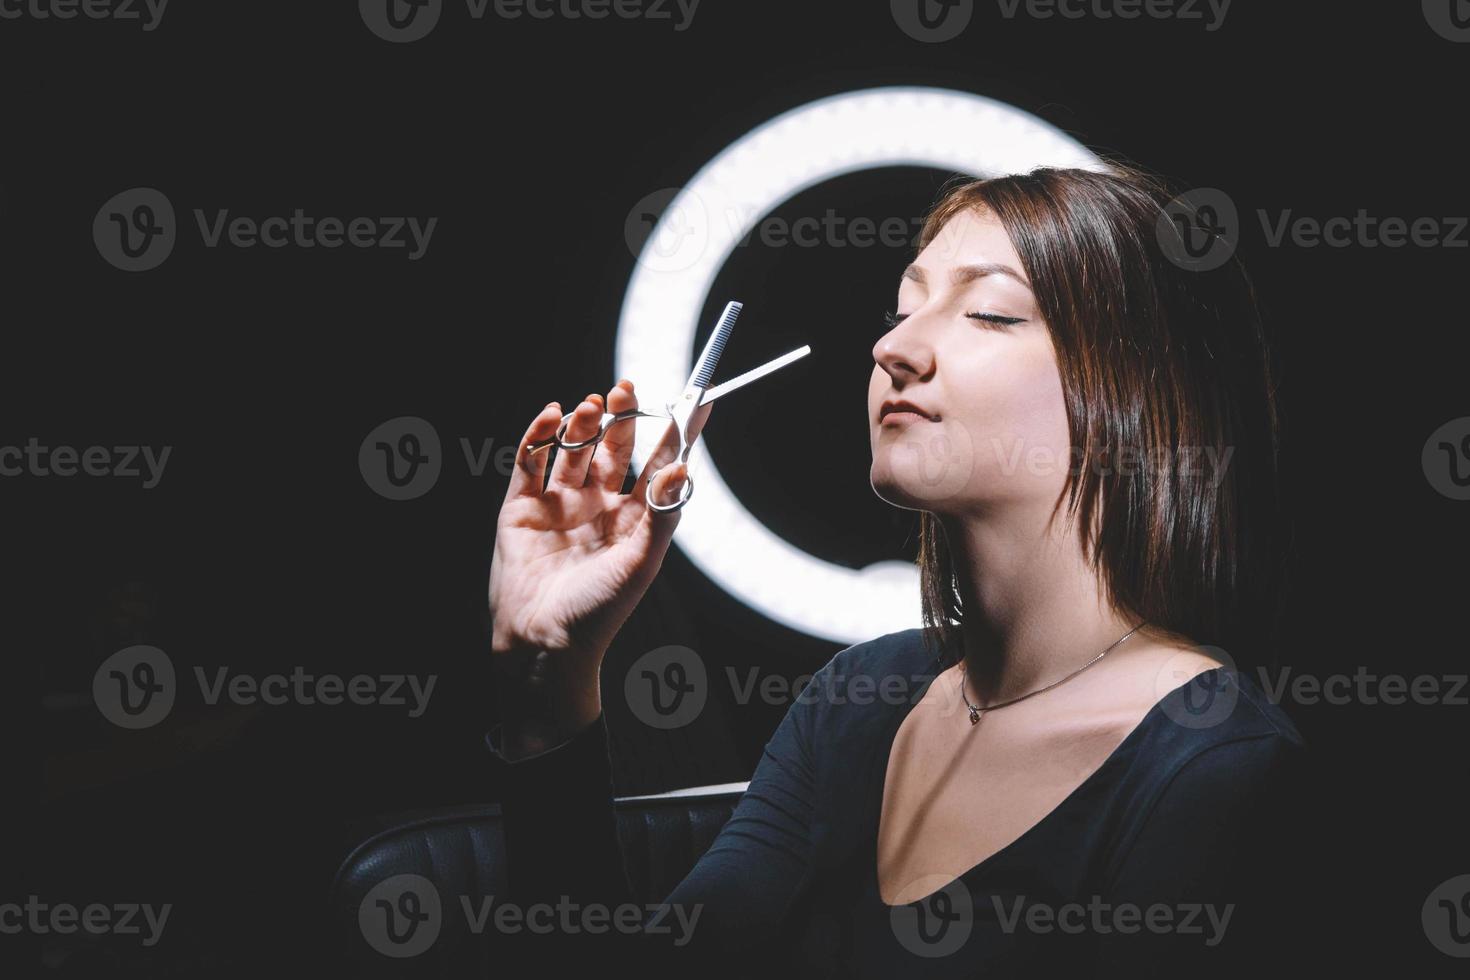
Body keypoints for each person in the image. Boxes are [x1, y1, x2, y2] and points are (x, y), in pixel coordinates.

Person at [482, 162, 1311, 978]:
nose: (893, 346)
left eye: (988, 313)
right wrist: (549, 678)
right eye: (904, 307)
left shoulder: (1212, 765)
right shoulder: (857, 701)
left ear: (1138, 385)